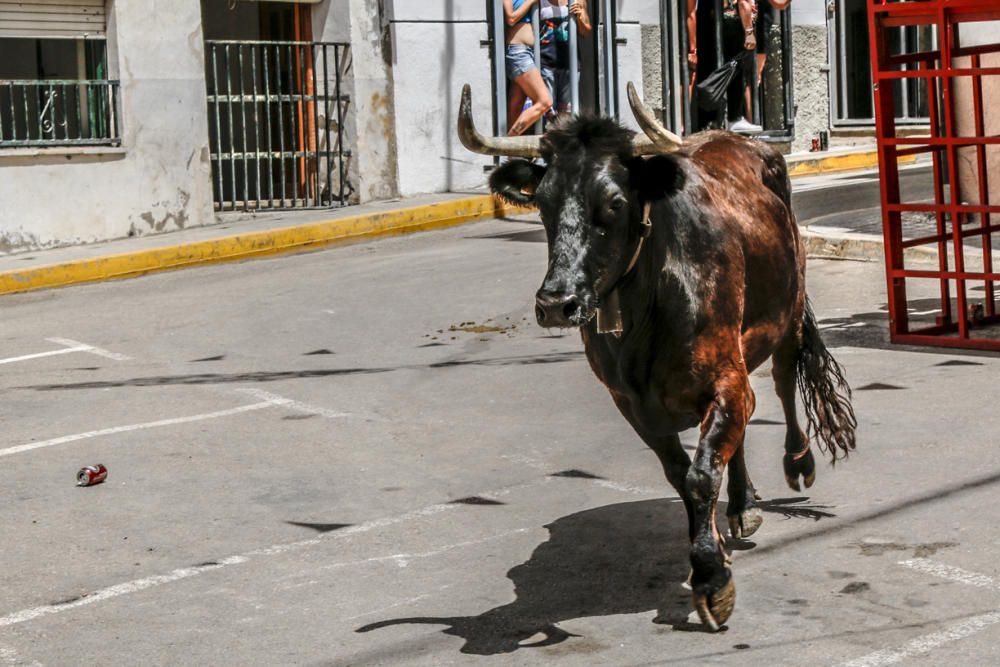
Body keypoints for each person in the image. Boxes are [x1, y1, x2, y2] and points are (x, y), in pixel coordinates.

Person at [503, 0, 552, 136]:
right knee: (545, 102)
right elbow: (511, 18)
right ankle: (510, 139)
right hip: (518, 51)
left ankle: (510, 148)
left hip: (530, 51)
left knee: (517, 104)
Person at [538, 0, 591, 118]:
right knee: (547, 110)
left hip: (570, 63)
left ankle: (562, 135)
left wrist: (580, 16)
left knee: (567, 112)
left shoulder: (578, 1)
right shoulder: (540, 2)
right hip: (545, 62)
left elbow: (586, 31)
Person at [722, 0, 761, 133]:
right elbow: (743, 2)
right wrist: (749, 33)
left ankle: (736, 119)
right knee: (738, 72)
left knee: (740, 74)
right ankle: (735, 119)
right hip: (735, 24)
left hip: (728, 21)